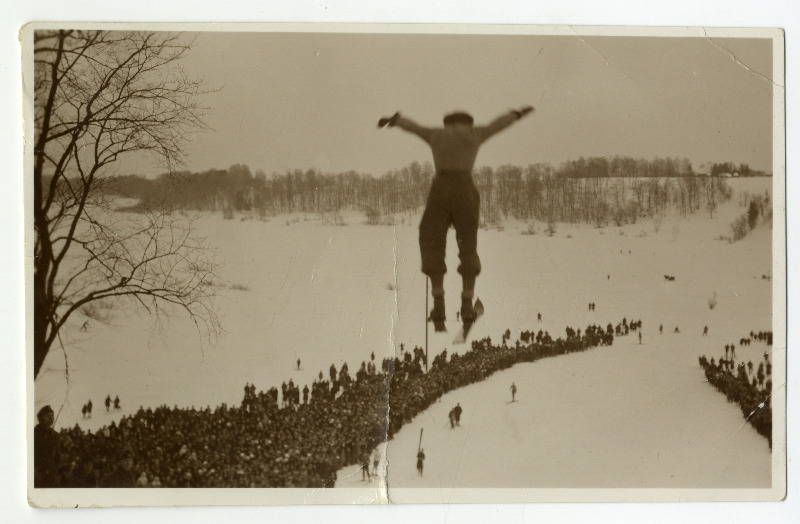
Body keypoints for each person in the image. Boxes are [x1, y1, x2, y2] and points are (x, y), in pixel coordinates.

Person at [379, 106, 535, 331]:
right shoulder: (475, 134)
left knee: (431, 239)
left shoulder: (436, 135)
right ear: (468, 122)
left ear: (447, 123)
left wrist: (396, 120)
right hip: (465, 190)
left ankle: (438, 302)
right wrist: (516, 114)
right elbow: (499, 125)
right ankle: (467, 302)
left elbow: (413, 127)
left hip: (440, 189)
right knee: (468, 245)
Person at [34, 405, 60, 487]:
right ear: (40, 418)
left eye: (52, 416)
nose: (51, 418)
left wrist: (58, 473)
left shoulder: (55, 436)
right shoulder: (33, 434)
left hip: (51, 475)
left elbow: (57, 457)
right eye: (48, 416)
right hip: (36, 474)